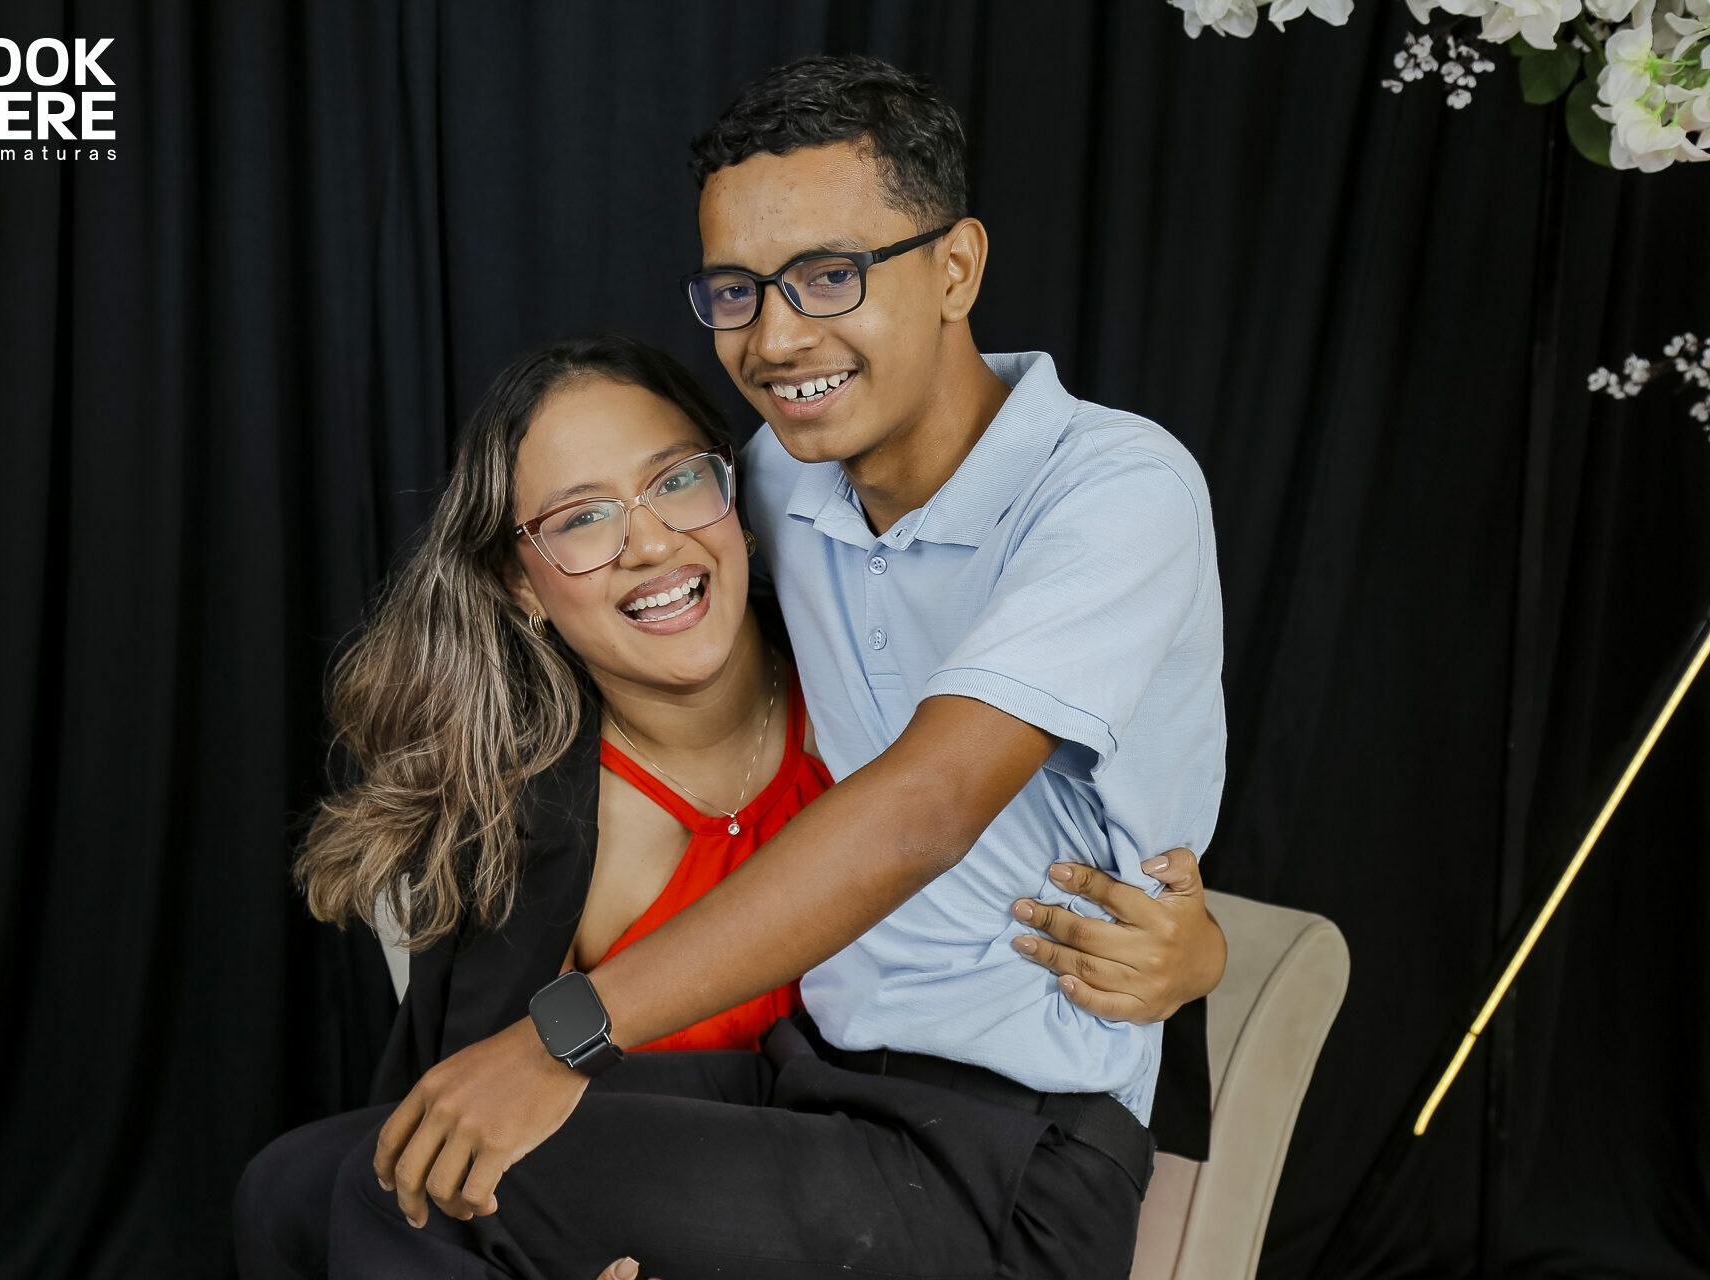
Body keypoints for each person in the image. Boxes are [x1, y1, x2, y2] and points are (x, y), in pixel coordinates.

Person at [332, 53, 1228, 1280]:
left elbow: (924, 809)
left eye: (830, 275)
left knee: (411, 1195)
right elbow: (629, 585)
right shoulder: (775, 485)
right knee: (327, 1175)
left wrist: (562, 1034)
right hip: (815, 1088)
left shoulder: (1116, 490)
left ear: (956, 268)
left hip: (1017, 1150)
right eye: (736, 291)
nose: (777, 335)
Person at [232, 334, 1214, 1279]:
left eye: (675, 481)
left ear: (738, 497)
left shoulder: (872, 701)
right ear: (518, 581)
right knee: (299, 1189)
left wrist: (1195, 953)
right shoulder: (543, 820)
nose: (650, 541)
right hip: (767, 1146)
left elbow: (1047, 817)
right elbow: (475, 1105)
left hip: (947, 1156)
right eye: (582, 518)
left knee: (405, 1202)